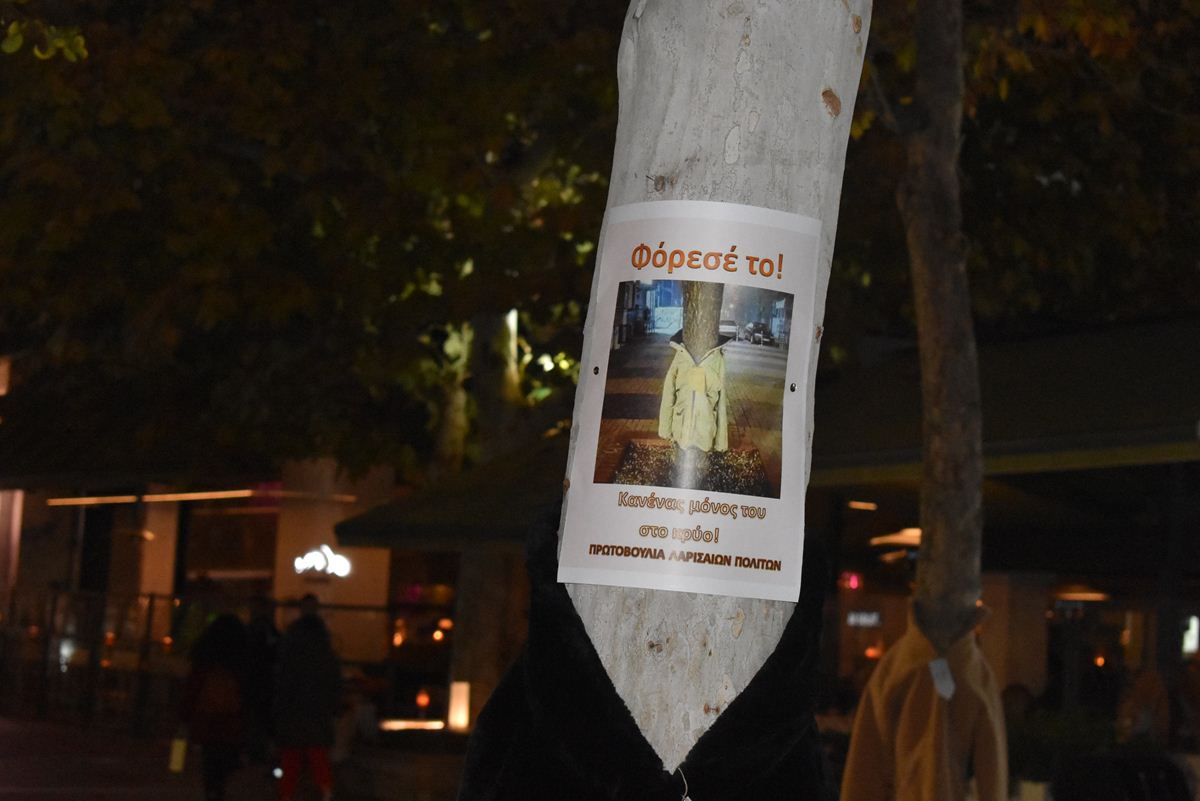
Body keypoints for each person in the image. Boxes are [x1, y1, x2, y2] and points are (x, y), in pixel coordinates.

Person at [274, 593, 342, 801]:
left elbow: (282, 677)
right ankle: (325, 791)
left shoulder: (292, 643)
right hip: (316, 707)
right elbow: (333, 679)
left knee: (292, 755)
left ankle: (287, 794)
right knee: (317, 752)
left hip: (295, 707)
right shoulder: (323, 645)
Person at [182, 613, 248, 801]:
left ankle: (211, 790)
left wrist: (185, 716)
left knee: (209, 757)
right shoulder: (240, 660)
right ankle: (219, 788)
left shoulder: (205, 658)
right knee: (225, 756)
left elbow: (193, 688)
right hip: (231, 719)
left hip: (207, 717)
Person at [244, 595, 280, 764]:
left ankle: (255, 753)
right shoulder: (265, 630)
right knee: (261, 719)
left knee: (256, 719)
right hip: (263, 682)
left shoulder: (255, 630)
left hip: (257, 682)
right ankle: (258, 753)